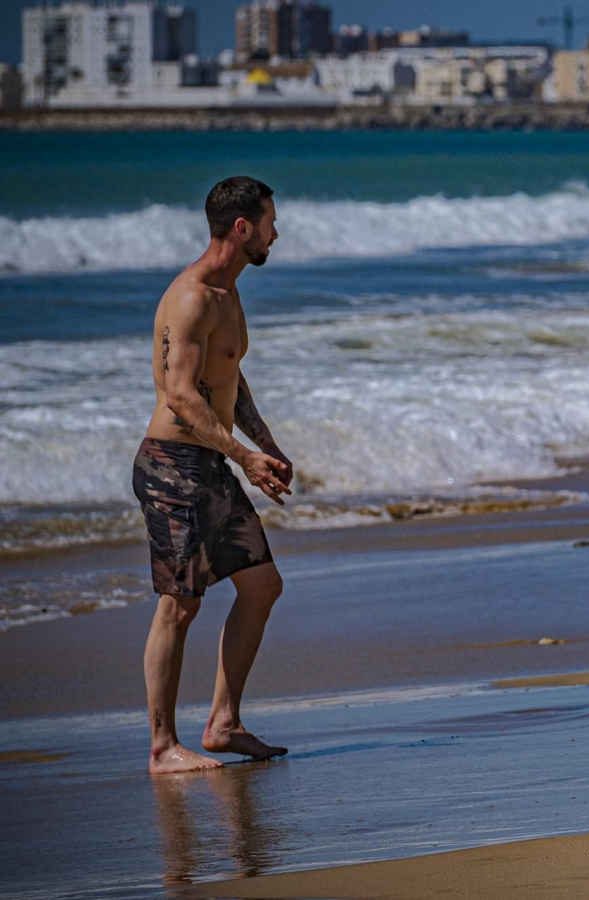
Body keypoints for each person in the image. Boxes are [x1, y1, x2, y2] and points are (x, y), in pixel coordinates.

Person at [137, 175, 294, 774]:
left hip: (212, 463)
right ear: (242, 227)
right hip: (172, 465)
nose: (277, 233)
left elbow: (229, 376)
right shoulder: (193, 296)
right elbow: (179, 394)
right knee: (180, 604)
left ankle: (223, 724)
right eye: (271, 222)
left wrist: (266, 445)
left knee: (261, 585)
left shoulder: (229, 295)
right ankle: (161, 747)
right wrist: (244, 458)